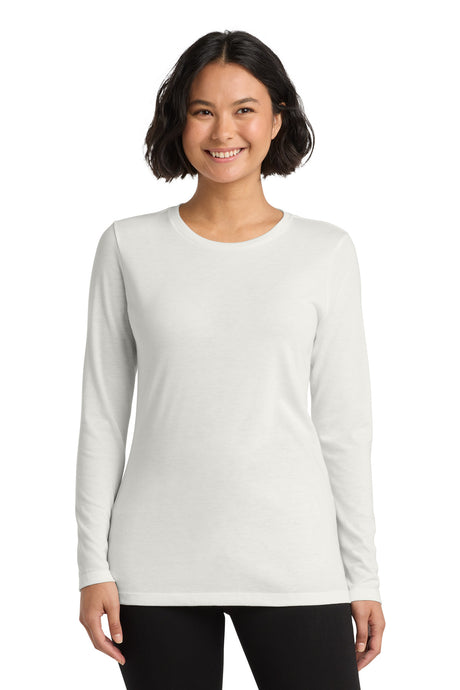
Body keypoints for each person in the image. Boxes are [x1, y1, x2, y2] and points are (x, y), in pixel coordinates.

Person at [75, 29, 385, 690]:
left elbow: (345, 428)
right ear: (180, 121)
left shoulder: (325, 251)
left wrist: (362, 576)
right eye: (203, 110)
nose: (224, 131)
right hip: (155, 563)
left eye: (245, 109)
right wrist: (92, 567)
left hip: (295, 559)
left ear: (277, 120)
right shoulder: (128, 246)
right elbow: (102, 417)